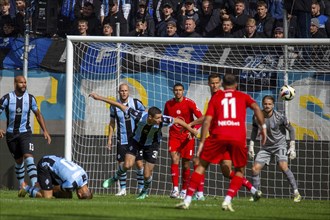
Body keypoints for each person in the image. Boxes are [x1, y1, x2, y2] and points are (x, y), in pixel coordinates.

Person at [176, 73, 267, 211]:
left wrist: (193, 128)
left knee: (219, 168)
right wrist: (263, 127)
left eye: (217, 83)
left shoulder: (218, 97)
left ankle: (252, 190)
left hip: (219, 137)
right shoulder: (240, 96)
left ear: (222, 84)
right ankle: (204, 195)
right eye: (212, 83)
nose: (214, 85)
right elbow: (255, 107)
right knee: (227, 169)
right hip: (234, 137)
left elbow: (207, 118)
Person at [89, 92, 198, 199]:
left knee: (146, 174)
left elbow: (178, 120)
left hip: (152, 145)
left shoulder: (163, 120)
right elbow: (119, 105)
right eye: (158, 118)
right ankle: (114, 178)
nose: (160, 120)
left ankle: (144, 191)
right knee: (127, 165)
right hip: (136, 141)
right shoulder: (138, 115)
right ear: (150, 117)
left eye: (160, 117)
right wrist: (98, 97)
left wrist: (191, 130)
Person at [0, 75, 51, 197]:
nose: (24, 84)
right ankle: (22, 185)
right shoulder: (7, 98)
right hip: (11, 135)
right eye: (21, 82)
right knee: (18, 161)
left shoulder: (30, 98)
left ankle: (35, 186)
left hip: (25, 133)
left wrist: (45, 131)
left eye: (25, 82)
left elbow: (38, 114)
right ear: (15, 83)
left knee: (29, 157)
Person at [248, 95, 302, 203]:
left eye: (269, 104)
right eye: (265, 104)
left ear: (273, 105)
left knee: (283, 166)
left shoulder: (280, 117)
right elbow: (254, 129)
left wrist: (292, 147)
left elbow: (291, 129)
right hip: (266, 147)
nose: (267, 106)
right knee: (255, 169)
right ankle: (256, 194)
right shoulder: (256, 116)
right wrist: (251, 145)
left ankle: (296, 193)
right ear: (262, 104)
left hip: (279, 145)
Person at [164, 83, 203, 199]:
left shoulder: (189, 103)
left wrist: (193, 130)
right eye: (176, 90)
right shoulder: (168, 104)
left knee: (186, 165)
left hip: (187, 138)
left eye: (180, 90)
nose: (178, 92)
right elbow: (166, 119)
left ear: (183, 91)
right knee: (174, 159)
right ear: (173, 91)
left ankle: (184, 190)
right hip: (174, 136)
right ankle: (175, 189)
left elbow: (201, 118)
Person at [106, 83, 146, 196]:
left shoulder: (136, 103)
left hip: (136, 139)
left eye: (125, 90)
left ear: (129, 92)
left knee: (139, 163)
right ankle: (123, 189)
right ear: (119, 92)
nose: (123, 92)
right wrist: (109, 139)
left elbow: (146, 115)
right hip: (122, 139)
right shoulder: (114, 105)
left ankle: (141, 189)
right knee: (122, 164)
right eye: (121, 91)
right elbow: (112, 123)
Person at [19, 155, 93, 199]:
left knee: (67, 197)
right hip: (45, 164)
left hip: (55, 160)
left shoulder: (85, 176)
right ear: (79, 194)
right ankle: (25, 187)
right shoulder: (70, 184)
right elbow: (55, 189)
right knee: (47, 196)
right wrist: (43, 188)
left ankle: (39, 190)